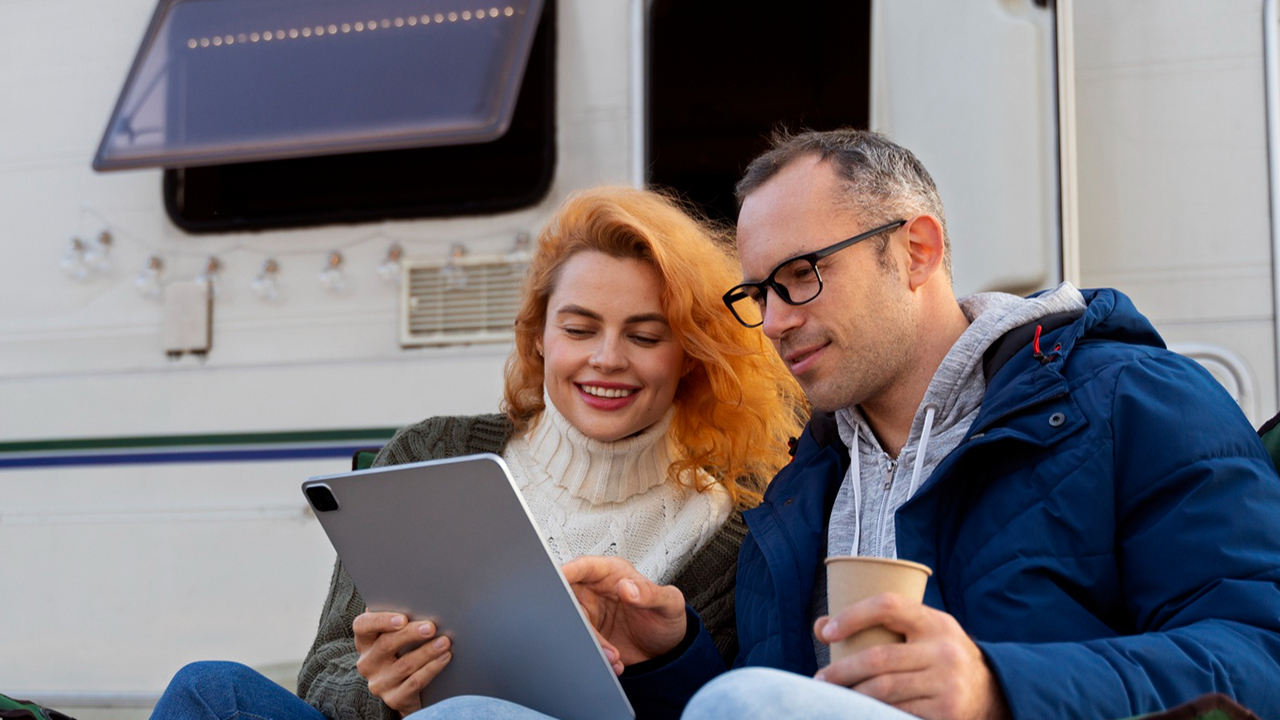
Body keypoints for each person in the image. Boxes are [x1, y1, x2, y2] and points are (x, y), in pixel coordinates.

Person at [555, 128, 1280, 720]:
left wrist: (997, 685)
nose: (774, 322)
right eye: (758, 293)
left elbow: (1261, 654)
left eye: (801, 275)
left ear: (916, 251)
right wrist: (668, 657)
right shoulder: (799, 489)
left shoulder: (1134, 399)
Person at [148, 186, 805, 720]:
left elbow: (718, 709)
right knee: (211, 690)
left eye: (644, 335)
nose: (607, 358)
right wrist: (381, 690)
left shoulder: (737, 517)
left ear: (688, 353)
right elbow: (324, 675)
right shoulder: (434, 451)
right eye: (579, 328)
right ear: (541, 335)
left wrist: (670, 653)